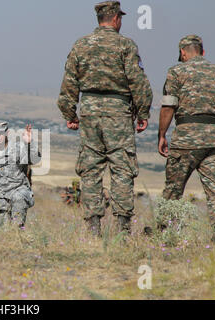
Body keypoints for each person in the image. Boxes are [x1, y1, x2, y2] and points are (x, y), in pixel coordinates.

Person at [57, 1, 153, 236]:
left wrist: (70, 114)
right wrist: (143, 112)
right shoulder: (125, 45)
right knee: (121, 169)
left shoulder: (81, 45)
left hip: (89, 112)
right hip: (118, 113)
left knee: (90, 170)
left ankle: (93, 228)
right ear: (116, 19)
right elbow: (138, 82)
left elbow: (69, 83)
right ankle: (122, 229)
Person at [158, 35, 215, 244]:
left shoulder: (176, 72)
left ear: (183, 53)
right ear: (203, 52)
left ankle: (167, 231)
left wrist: (162, 135)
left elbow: (168, 106)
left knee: (173, 188)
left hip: (186, 140)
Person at [0, 121, 41, 228]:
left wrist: (30, 143)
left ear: (7, 133)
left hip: (18, 193)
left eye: (1, 133)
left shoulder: (19, 149)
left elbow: (35, 159)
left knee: (16, 229)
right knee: (0, 234)